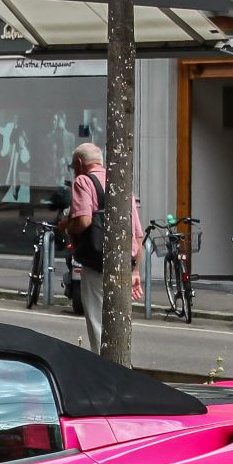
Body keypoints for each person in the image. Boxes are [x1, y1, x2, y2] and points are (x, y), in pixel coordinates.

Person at [62, 143, 143, 352]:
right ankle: (121, 366)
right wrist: (135, 270)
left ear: (79, 163)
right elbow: (137, 233)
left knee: (98, 322)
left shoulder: (83, 181)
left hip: (97, 263)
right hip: (124, 263)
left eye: (73, 167)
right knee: (119, 322)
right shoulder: (120, 181)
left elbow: (84, 221)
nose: (74, 171)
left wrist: (65, 225)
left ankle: (105, 370)